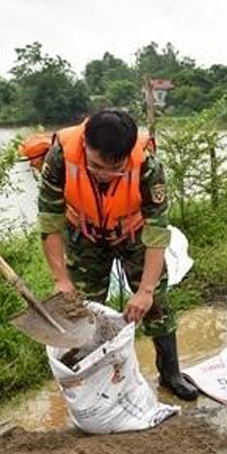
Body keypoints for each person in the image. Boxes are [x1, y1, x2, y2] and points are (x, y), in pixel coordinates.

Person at [37, 109, 198, 401]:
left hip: (133, 232)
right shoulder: (60, 156)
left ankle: (171, 372)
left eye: (116, 169)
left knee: (156, 303)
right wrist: (60, 279)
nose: (106, 175)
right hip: (83, 234)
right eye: (98, 166)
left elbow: (158, 231)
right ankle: (90, 378)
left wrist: (146, 291)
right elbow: (50, 220)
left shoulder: (147, 165)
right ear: (85, 144)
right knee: (83, 308)